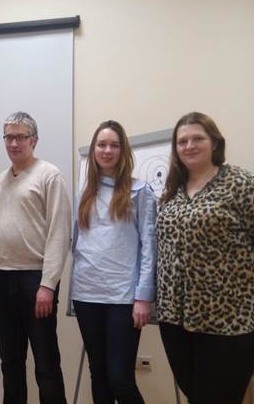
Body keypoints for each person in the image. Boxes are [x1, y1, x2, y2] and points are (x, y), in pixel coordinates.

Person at [156, 111, 254, 404]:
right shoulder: (172, 192)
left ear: (215, 143)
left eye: (198, 138)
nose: (189, 146)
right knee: (196, 395)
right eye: (182, 141)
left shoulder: (244, 185)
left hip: (230, 320)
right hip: (175, 319)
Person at [0, 111, 71, 404]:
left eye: (20, 137)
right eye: (8, 137)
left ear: (33, 140)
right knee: (10, 361)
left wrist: (48, 284)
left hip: (36, 281)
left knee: (45, 362)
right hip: (4, 278)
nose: (14, 143)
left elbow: (59, 233)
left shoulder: (50, 175)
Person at [71, 120, 156, 404]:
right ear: (94, 150)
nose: (107, 150)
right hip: (87, 295)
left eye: (114, 145)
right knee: (99, 374)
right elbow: (77, 244)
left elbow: (149, 248)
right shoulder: (84, 193)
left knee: (120, 379)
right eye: (101, 144)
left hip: (123, 298)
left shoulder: (140, 191)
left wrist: (143, 297)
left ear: (123, 150)